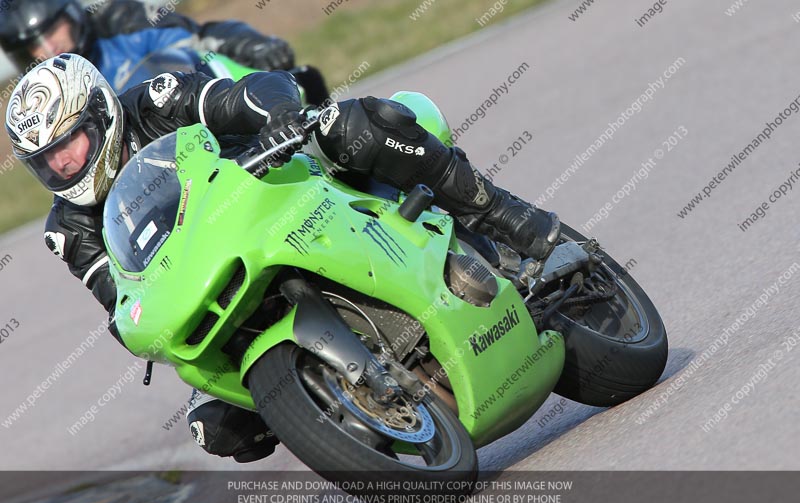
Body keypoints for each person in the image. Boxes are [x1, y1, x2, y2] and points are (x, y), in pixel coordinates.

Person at [4, 54, 560, 463]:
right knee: (217, 429)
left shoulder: (155, 100)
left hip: (278, 184)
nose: (63, 166)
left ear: (100, 114)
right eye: (45, 161)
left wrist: (277, 114)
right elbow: (120, 296)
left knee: (358, 126)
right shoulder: (68, 227)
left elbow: (242, 94)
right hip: (211, 274)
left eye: (68, 143)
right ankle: (330, 407)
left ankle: (503, 216)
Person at [0, 0, 328, 103]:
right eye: (33, 46)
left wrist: (253, 46)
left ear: (70, 17)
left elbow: (199, 37)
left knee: (309, 89)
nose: (49, 48)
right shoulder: (46, 104)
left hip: (219, 118)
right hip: (161, 191)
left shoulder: (125, 27)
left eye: (52, 32)